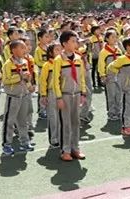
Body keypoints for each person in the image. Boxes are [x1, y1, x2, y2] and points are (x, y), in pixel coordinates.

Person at [53, 31, 87, 161]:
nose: (75, 43)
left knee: (75, 122)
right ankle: (65, 150)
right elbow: (55, 80)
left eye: (76, 41)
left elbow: (82, 77)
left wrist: (83, 92)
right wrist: (59, 97)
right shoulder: (58, 60)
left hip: (76, 94)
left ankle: (75, 148)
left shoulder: (78, 59)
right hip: (65, 95)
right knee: (65, 123)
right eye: (72, 41)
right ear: (64, 43)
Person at [1, 40, 35, 156]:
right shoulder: (7, 64)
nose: (25, 50)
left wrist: (29, 86)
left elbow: (27, 78)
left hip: (24, 94)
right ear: (14, 50)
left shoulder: (25, 62)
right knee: (9, 121)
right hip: (13, 96)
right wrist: (19, 77)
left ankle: (24, 142)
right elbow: (5, 81)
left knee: (23, 120)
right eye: (22, 47)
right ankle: (7, 144)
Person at [107, 38, 130, 137]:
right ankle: (125, 127)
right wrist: (117, 79)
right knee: (127, 108)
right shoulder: (122, 59)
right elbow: (111, 67)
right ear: (127, 47)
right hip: (128, 89)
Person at [39, 43, 61, 148]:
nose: (60, 52)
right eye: (57, 50)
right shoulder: (47, 65)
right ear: (51, 53)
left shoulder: (63, 63)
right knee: (53, 116)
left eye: (61, 49)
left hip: (62, 91)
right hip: (52, 92)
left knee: (62, 116)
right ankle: (54, 139)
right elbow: (43, 81)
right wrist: (43, 94)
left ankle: (62, 136)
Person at [97, 30, 122, 122]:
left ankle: (118, 111)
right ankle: (111, 113)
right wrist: (102, 75)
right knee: (111, 94)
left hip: (119, 74)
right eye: (112, 37)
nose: (115, 39)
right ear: (107, 39)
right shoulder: (104, 52)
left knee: (119, 93)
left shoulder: (118, 49)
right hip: (109, 75)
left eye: (116, 37)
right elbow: (101, 64)